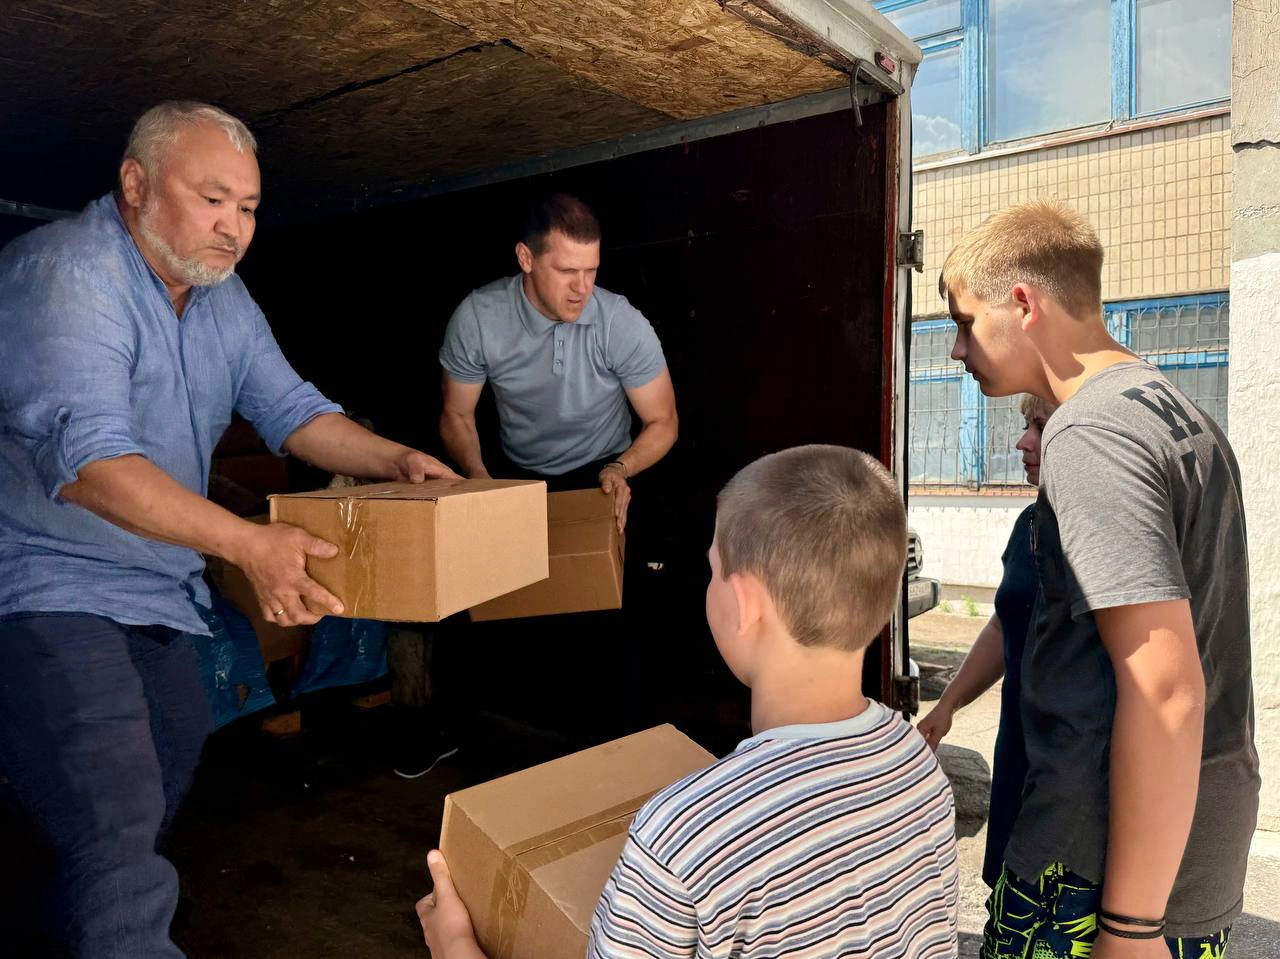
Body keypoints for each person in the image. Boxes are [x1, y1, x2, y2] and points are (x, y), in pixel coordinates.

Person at [0, 101, 457, 957]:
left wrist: (393, 458)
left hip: (160, 597)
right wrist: (248, 543)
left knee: (146, 800)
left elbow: (291, 410)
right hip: (48, 591)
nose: (235, 227)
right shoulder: (70, 274)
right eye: (214, 200)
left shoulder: (221, 297)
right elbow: (92, 465)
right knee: (116, 833)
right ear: (135, 185)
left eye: (248, 208)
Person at [417, 445, 960, 959]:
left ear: (744, 602)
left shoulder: (682, 834)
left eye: (713, 568)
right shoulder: (919, 765)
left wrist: (457, 948)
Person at [940, 201, 1257, 958]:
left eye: (962, 321)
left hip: (1095, 874)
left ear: (1023, 304)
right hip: (1189, 852)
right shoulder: (1180, 413)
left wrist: (1130, 924)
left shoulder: (1089, 429)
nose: (956, 349)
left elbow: (1166, 687)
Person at [438, 193, 678, 533]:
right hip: (514, 471)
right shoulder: (478, 318)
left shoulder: (620, 322)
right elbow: (456, 415)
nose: (582, 288)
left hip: (605, 469)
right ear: (526, 258)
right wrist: (478, 479)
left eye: (591, 270)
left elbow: (663, 420)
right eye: (566, 271)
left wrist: (621, 468)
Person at [916, 393, 1055, 889]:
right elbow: (1003, 624)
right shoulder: (1030, 525)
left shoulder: (1102, 535)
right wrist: (946, 705)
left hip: (1068, 773)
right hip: (1019, 751)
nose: (1022, 442)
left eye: (1040, 427)